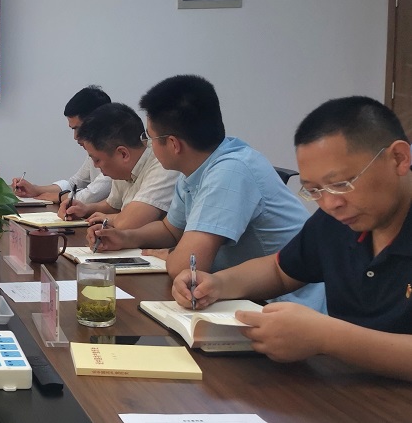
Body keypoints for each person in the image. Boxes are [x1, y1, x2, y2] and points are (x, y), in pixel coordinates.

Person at [173, 96, 412, 380]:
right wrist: (218, 284)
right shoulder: (338, 219)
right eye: (314, 190)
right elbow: (280, 270)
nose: (329, 203)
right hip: (346, 387)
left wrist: (326, 337)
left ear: (399, 158)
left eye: (341, 184)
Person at [90, 75, 324, 310]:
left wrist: (172, 254)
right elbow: (170, 230)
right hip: (236, 295)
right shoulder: (194, 169)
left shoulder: (231, 170)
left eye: (150, 138)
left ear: (173, 144)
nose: (148, 145)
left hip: (284, 304)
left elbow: (184, 266)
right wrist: (126, 238)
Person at [57, 102, 177, 230]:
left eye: (97, 160)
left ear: (123, 154)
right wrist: (85, 209)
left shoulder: (163, 164)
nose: (95, 166)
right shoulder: (125, 167)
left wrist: (107, 218)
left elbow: (129, 223)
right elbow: (113, 205)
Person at [12, 85, 112, 204]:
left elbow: (91, 195)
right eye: (73, 129)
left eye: (79, 129)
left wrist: (59, 197)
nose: (75, 137)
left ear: (98, 123)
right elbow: (75, 183)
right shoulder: (95, 151)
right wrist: (36, 190)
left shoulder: (115, 151)